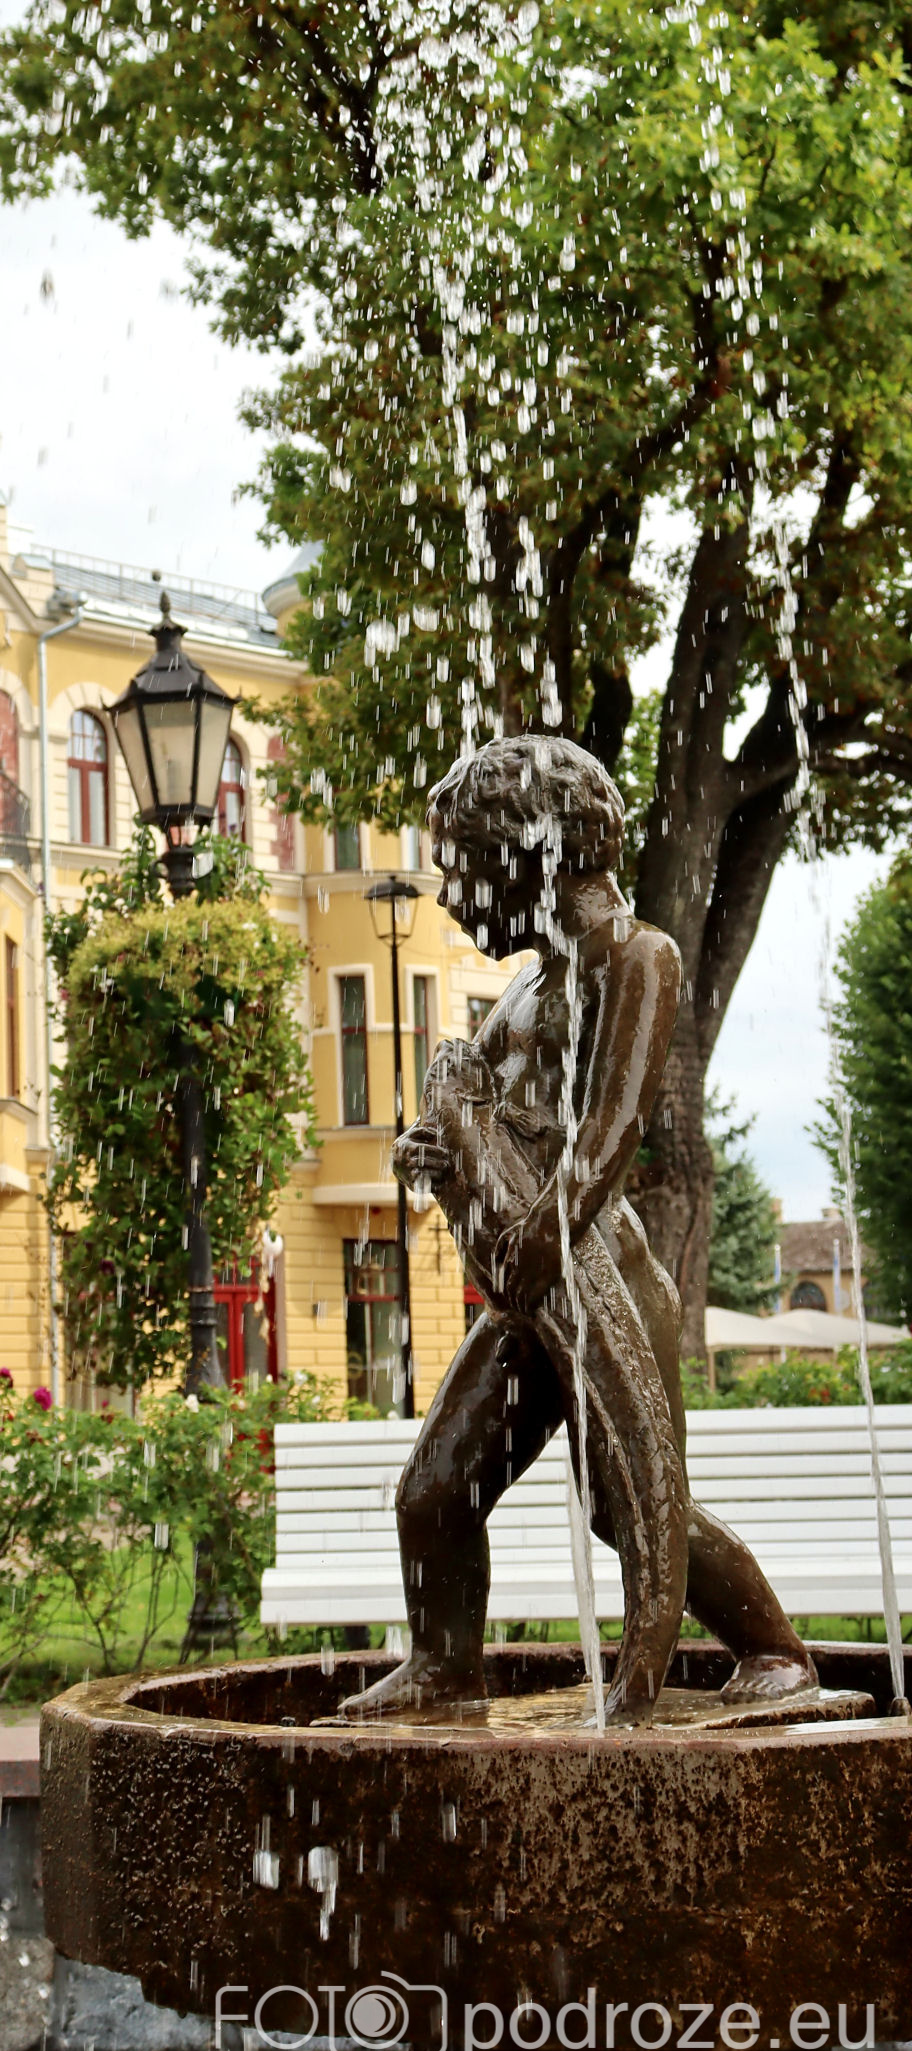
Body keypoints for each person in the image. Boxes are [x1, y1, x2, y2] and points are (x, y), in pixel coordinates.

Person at [342, 735, 816, 1725]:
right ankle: (443, 1665)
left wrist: (540, 1237)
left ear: (529, 854)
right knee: (434, 1490)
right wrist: (433, 1151)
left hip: (603, 1277)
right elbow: (478, 1119)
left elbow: (609, 1133)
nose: (448, 895)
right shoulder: (520, 989)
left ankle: (773, 1650)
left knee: (630, 1503)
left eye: (461, 868)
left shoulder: (635, 956)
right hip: (525, 1290)